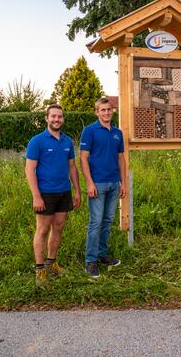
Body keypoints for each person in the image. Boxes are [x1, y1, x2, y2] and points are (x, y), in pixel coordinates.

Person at [25, 104, 81, 285]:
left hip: (64, 192)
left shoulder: (67, 142)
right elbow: (29, 170)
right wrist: (36, 196)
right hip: (45, 193)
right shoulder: (37, 141)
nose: (57, 120)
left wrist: (77, 191)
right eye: (53, 116)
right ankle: (40, 270)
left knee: (58, 227)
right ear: (46, 118)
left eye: (60, 117)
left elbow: (72, 167)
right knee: (42, 230)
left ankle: (51, 263)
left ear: (63, 119)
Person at [80, 97, 126, 278]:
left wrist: (123, 182)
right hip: (97, 184)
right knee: (95, 223)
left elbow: (121, 158)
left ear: (112, 110)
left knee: (107, 221)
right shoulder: (89, 131)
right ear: (97, 112)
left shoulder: (117, 133)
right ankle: (90, 261)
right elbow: (83, 158)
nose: (106, 113)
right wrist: (89, 183)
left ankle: (102, 254)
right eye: (103, 110)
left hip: (114, 183)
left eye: (109, 109)